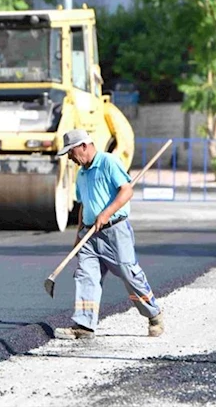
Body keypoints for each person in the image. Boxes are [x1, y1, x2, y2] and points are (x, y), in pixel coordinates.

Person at [53, 128, 164, 340]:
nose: (69, 157)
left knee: (129, 274)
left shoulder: (108, 162)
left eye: (71, 152)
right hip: (89, 234)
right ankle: (84, 325)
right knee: (86, 275)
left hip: (115, 230)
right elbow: (84, 207)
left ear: (83, 146)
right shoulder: (82, 173)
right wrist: (78, 235)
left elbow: (127, 191)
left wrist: (105, 214)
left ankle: (154, 314)